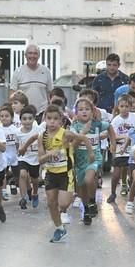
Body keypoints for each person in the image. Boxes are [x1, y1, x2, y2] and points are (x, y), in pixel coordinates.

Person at [38, 104, 91, 243]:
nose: (52, 122)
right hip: (50, 173)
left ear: (61, 120)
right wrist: (49, 155)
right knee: (51, 203)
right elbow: (40, 159)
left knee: (63, 203)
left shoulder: (66, 134)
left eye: (55, 119)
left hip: (65, 173)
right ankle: (60, 229)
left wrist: (84, 151)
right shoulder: (42, 137)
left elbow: (83, 138)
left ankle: (71, 195)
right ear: (45, 120)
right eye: (49, 118)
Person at [71, 97, 111, 225]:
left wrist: (113, 143)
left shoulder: (97, 124)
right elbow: (73, 146)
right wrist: (83, 132)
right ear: (76, 113)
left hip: (94, 158)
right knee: (81, 186)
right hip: (80, 160)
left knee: (89, 179)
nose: (84, 112)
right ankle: (86, 208)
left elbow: (110, 127)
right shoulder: (74, 127)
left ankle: (92, 201)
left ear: (92, 111)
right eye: (81, 109)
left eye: (87, 109)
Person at [9, 44, 54, 113]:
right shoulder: (18, 72)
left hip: (42, 113)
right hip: (24, 114)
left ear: (39, 56)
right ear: (25, 55)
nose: (32, 56)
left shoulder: (46, 71)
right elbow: (12, 96)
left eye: (35, 53)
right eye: (30, 53)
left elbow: (50, 94)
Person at [109, 94, 135, 202]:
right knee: (116, 174)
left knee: (132, 173)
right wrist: (125, 137)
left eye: (126, 106)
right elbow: (113, 135)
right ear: (118, 107)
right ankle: (112, 193)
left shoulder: (134, 117)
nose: (124, 109)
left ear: (130, 107)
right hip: (120, 150)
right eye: (122, 106)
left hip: (132, 150)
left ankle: (130, 189)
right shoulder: (116, 120)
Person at [16, 104, 41, 209]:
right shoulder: (18, 132)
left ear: (34, 119)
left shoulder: (38, 130)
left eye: (30, 118)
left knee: (35, 181)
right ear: (20, 120)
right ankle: (23, 197)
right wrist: (19, 151)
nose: (27, 121)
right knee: (22, 174)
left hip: (35, 159)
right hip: (24, 158)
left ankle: (35, 193)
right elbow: (17, 145)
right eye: (24, 119)